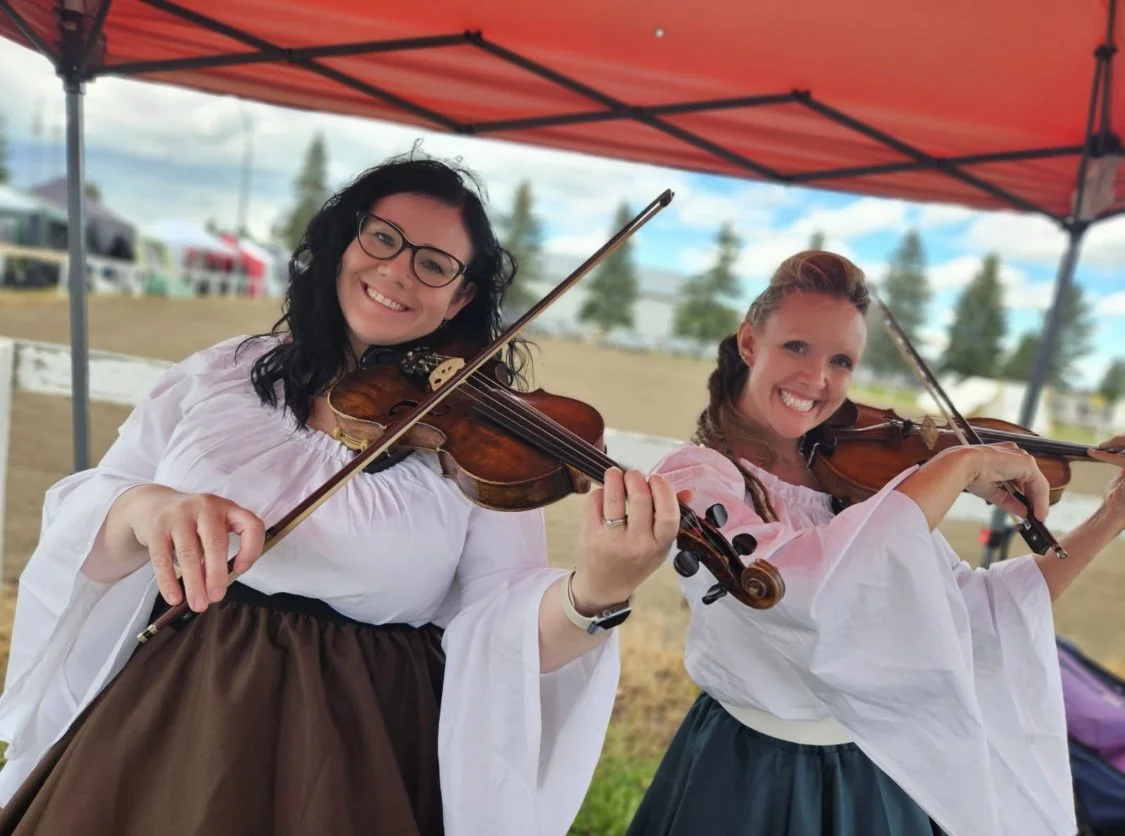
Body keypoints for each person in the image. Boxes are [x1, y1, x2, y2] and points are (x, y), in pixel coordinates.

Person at [0, 154, 684, 836]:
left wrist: (597, 592)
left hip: (355, 741)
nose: (397, 271)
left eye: (434, 264)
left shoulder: (480, 444)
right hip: (175, 698)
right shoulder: (221, 375)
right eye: (383, 238)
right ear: (343, 241)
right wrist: (148, 510)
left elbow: (500, 627)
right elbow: (99, 505)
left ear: (461, 298)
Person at [625, 250, 1125, 836]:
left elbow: (977, 611)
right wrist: (956, 466)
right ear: (749, 342)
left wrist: (1110, 516)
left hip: (875, 769)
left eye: (840, 360)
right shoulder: (697, 476)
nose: (817, 379)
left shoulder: (856, 488)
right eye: (796, 347)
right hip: (752, 772)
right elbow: (801, 593)